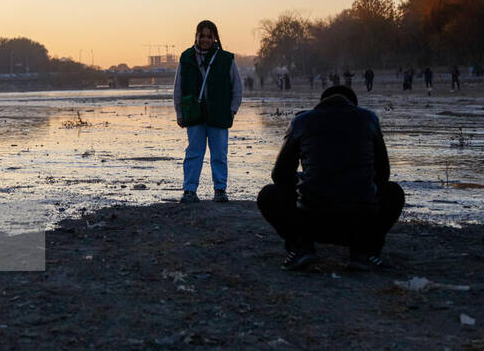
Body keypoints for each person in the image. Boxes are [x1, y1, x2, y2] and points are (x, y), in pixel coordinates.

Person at [258, 86, 405, 271]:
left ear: (320, 103)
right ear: (354, 105)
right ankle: (364, 252)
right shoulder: (368, 119)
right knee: (393, 192)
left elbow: (279, 175)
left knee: (268, 194)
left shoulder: (302, 121)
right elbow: (383, 175)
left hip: (312, 219)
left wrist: (304, 180)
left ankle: (301, 247)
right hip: (360, 219)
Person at [174, 20, 242, 203]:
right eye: (201, 36)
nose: (205, 39)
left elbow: (237, 86)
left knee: (219, 153)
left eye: (208, 36)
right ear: (196, 36)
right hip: (194, 115)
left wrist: (233, 110)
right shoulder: (186, 58)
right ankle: (189, 190)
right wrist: (179, 113)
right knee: (194, 153)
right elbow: (178, 88)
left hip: (219, 114)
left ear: (215, 38)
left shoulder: (226, 59)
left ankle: (220, 189)